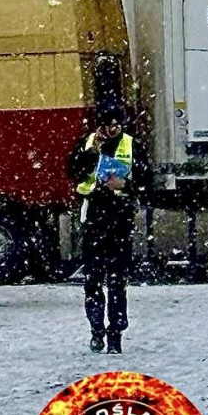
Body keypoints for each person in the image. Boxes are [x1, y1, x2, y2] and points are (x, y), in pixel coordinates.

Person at [66, 104, 147, 354]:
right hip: (94, 216)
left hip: (120, 218)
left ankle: (115, 334)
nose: (112, 130)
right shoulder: (87, 143)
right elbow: (73, 172)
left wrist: (126, 184)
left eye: (116, 125)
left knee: (117, 281)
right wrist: (92, 152)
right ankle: (96, 330)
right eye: (107, 125)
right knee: (92, 281)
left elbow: (146, 179)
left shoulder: (132, 145)